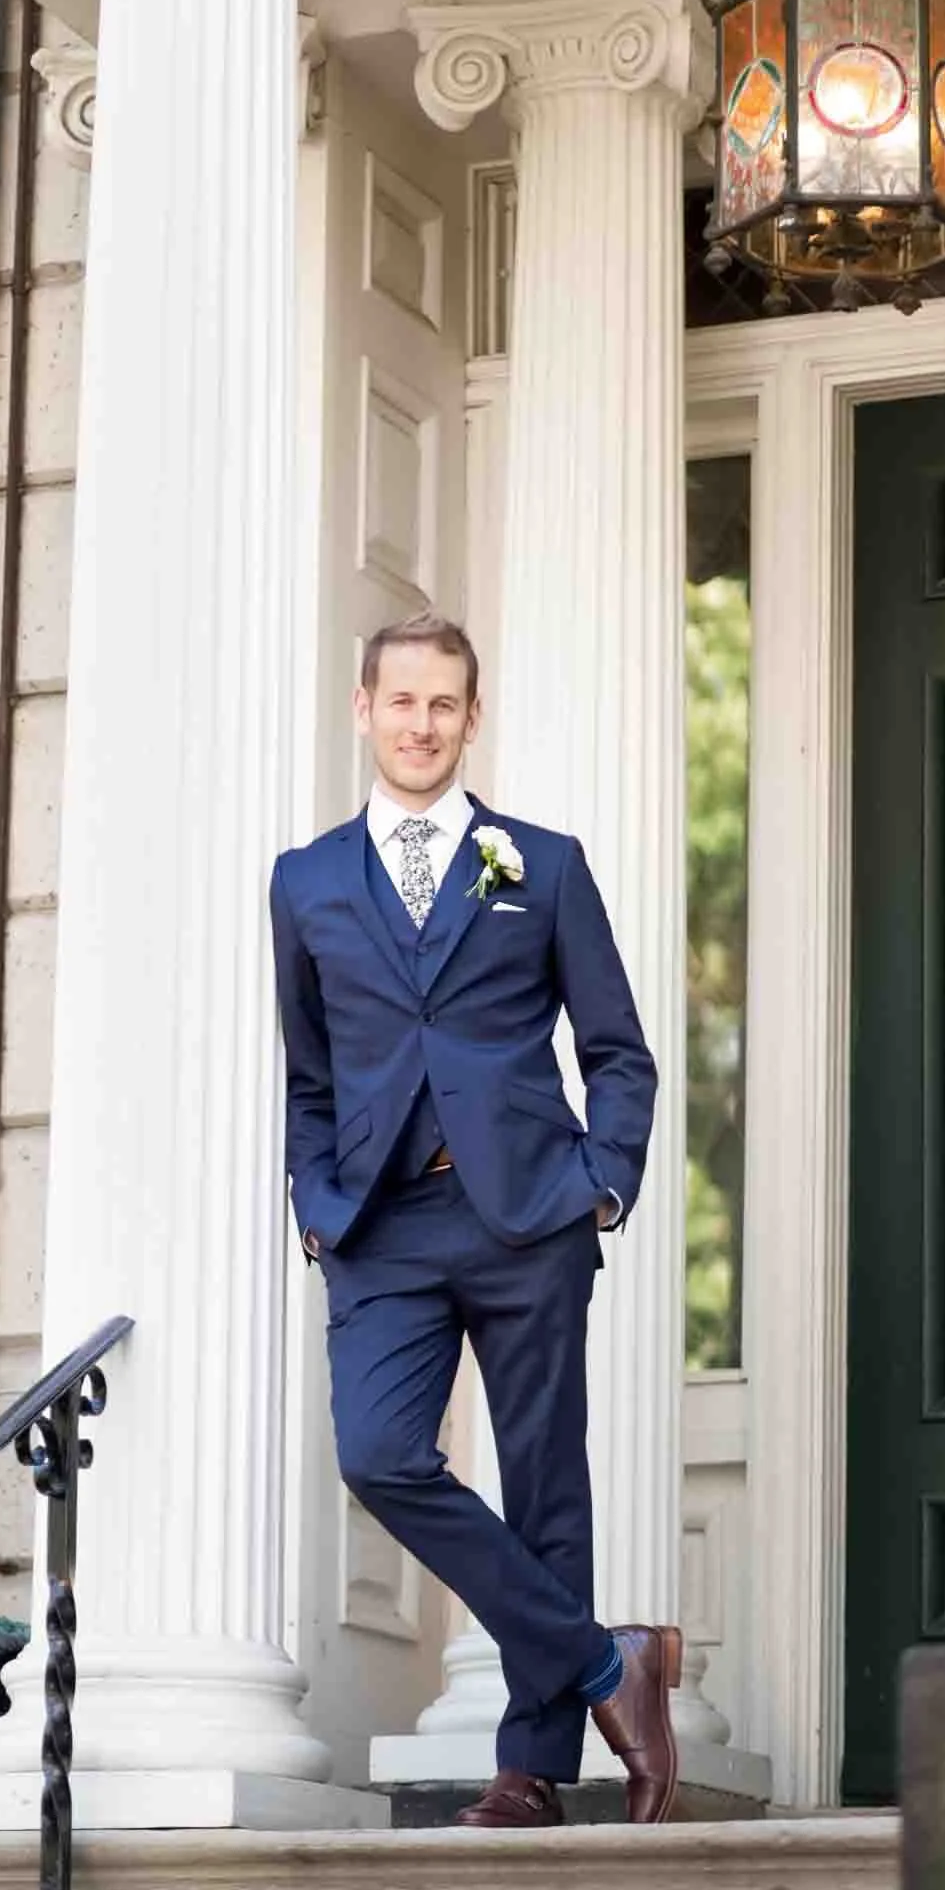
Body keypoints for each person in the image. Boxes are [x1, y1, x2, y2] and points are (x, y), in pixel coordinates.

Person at [269, 609, 676, 1828]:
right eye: (400, 701)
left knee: (545, 1483)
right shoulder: (304, 881)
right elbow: (308, 1072)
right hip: (380, 1224)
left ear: (470, 716)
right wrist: (313, 1201)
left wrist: (600, 1180)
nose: (420, 724)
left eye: (442, 703)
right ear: (363, 708)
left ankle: (530, 1770)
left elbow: (617, 1050)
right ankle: (607, 1664)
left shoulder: (539, 865)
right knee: (377, 1453)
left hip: (526, 1214)